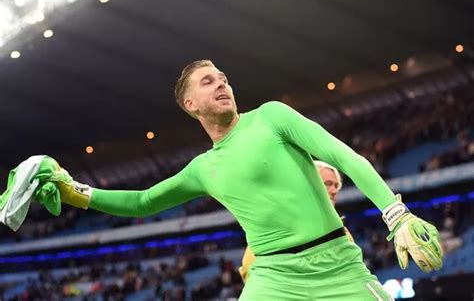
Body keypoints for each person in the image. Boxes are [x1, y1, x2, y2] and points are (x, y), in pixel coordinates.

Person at [54, 60, 442, 300]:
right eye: (208, 82)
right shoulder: (203, 168)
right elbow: (142, 202)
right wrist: (77, 194)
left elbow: (344, 156)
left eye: (223, 78)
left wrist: (395, 213)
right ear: (190, 105)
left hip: (337, 267)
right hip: (273, 278)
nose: (222, 84)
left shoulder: (271, 116)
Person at [238, 160, 353, 283]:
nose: (334, 191)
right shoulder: (277, 224)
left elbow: (352, 269)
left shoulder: (342, 232)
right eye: (328, 183)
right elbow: (250, 269)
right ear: (308, 184)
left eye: (336, 185)